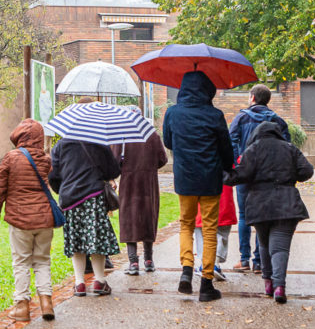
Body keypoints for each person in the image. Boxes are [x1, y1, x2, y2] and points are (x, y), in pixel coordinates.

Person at [162, 70, 234, 302]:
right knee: (210, 229)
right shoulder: (215, 114)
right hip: (210, 178)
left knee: (186, 225)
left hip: (185, 178)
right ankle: (206, 283)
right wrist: (228, 167)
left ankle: (185, 271)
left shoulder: (172, 113)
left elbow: (168, 141)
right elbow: (225, 148)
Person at [223, 121, 314, 303]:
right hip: (287, 202)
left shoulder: (253, 150)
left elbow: (240, 175)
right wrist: (290, 176)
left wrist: (221, 173)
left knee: (263, 244)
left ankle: (268, 284)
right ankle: (279, 287)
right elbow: (307, 170)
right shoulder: (290, 148)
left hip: (259, 204)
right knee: (280, 247)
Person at [0, 119, 56, 322]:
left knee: (21, 262)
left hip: (20, 220)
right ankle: (46, 302)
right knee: (43, 261)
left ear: (19, 136)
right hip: (44, 219)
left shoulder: (11, 158)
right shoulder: (45, 159)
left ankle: (22, 306)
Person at [49, 134, 121, 297]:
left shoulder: (61, 145)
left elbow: (53, 175)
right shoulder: (98, 141)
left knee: (76, 240)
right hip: (93, 196)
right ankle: (99, 281)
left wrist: (64, 189)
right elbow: (113, 170)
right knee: (96, 239)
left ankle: (79, 283)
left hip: (70, 199)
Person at [229, 84, 290, 273]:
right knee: (263, 216)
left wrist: (237, 163)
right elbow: (287, 146)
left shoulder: (241, 118)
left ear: (252, 98)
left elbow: (230, 142)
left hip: (245, 173)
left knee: (244, 216)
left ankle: (244, 259)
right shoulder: (277, 121)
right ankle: (259, 262)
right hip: (268, 175)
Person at [111, 132, 168, 276]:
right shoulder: (152, 135)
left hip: (129, 181)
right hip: (149, 182)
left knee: (129, 219)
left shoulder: (122, 136)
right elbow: (163, 159)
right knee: (148, 216)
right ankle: (149, 260)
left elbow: (114, 162)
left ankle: (133, 262)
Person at [193, 184, 236, 281]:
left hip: (200, 191)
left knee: (202, 230)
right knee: (221, 231)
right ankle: (215, 263)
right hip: (222, 189)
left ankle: (205, 264)